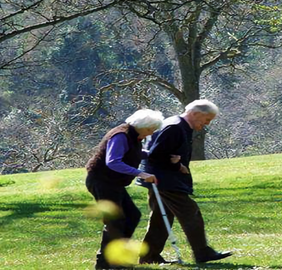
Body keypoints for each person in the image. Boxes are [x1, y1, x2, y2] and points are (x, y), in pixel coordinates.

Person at [139, 99, 232, 265]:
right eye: (207, 119)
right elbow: (154, 155)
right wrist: (177, 166)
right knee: (191, 212)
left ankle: (149, 257)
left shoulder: (178, 125)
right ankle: (203, 253)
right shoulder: (174, 127)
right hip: (164, 180)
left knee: (161, 218)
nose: (206, 124)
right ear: (195, 114)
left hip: (160, 178)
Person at [85, 109, 164, 270]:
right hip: (102, 181)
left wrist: (154, 154)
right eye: (150, 129)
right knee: (115, 221)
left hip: (114, 183)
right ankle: (109, 262)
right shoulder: (121, 135)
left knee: (132, 216)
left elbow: (133, 152)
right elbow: (113, 162)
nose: (151, 133)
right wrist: (141, 173)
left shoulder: (134, 135)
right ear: (142, 125)